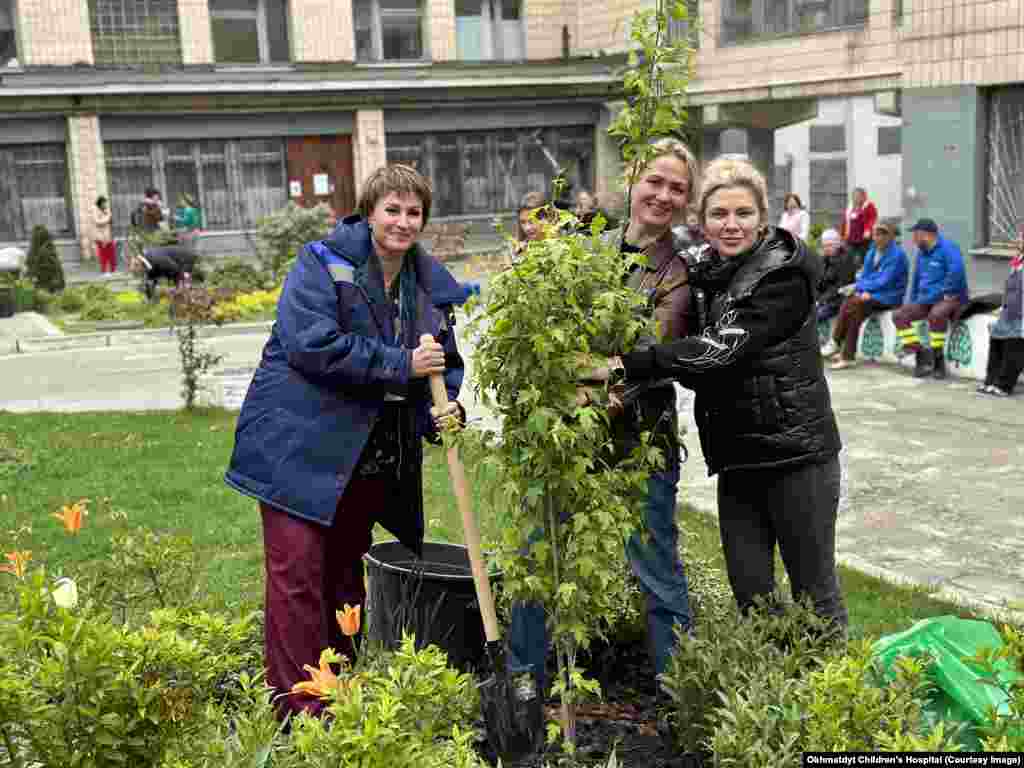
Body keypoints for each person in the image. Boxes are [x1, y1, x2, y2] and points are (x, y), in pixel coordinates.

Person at [224, 164, 466, 720]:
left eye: (414, 212)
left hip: (361, 457)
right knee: (298, 579)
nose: (403, 222)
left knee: (342, 581)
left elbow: (442, 364)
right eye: (393, 209)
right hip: (295, 446)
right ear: (369, 211)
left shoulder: (426, 285)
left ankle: (341, 692)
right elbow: (312, 345)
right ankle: (300, 712)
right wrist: (400, 363)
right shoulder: (322, 262)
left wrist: (444, 409)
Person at [584, 156, 847, 634]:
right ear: (702, 221)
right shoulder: (708, 272)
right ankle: (771, 697)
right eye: (719, 215)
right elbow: (645, 253)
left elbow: (721, 350)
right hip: (739, 459)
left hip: (797, 457)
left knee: (815, 595)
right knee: (751, 595)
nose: (731, 225)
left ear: (762, 217)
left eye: (743, 213)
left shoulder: (783, 276)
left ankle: (830, 701)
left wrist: (626, 364)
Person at [510, 138, 698, 690]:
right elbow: (544, 329)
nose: (662, 195)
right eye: (654, 181)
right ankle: (525, 683)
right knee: (538, 556)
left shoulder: (675, 277)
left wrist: (582, 381)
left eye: (677, 188)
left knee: (656, 570)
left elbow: (645, 361)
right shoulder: (588, 248)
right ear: (633, 181)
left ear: (685, 201)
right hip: (567, 439)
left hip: (640, 443)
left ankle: (677, 693)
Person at [823, 221, 909, 369]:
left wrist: (861, 289)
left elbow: (884, 281)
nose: (879, 237)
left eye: (883, 234)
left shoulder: (898, 255)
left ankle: (837, 343)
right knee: (854, 306)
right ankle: (847, 355)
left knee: (854, 302)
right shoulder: (871, 252)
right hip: (872, 296)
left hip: (889, 297)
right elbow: (865, 277)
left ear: (891, 237)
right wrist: (863, 291)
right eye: (876, 233)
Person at [893, 218, 970, 379]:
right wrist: (913, 299)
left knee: (936, 315)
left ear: (926, 235)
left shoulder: (948, 248)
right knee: (900, 315)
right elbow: (916, 278)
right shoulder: (922, 252)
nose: (913, 239)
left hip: (949, 297)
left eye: (915, 235)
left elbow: (957, 273)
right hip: (926, 299)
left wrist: (946, 292)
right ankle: (921, 352)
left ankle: (938, 360)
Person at [978, 229, 1024, 397]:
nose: (1018, 241)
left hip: (1020, 315)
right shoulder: (1017, 262)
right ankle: (991, 380)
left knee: (1014, 348)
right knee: (996, 341)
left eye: (1021, 238)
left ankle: (1004, 385)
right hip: (1009, 312)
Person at [814, 228, 856, 325]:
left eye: (829, 245)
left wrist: (821, 301)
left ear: (838, 243)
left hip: (839, 300)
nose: (826, 248)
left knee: (812, 318)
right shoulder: (824, 258)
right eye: (824, 246)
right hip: (825, 299)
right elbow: (819, 281)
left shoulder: (846, 259)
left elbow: (840, 286)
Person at [841, 187, 877, 269]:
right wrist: (842, 235)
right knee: (849, 257)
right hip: (851, 238)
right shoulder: (850, 207)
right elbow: (845, 222)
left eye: (858, 196)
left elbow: (872, 218)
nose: (856, 198)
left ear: (864, 196)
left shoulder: (869, 206)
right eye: (854, 196)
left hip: (863, 239)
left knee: (864, 258)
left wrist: (868, 229)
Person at [512, 190, 551, 262]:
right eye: (523, 222)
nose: (527, 228)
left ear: (546, 218)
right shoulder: (519, 249)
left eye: (532, 221)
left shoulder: (559, 246)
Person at [93, 196, 116, 274]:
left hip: (108, 236)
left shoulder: (106, 210)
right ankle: (104, 271)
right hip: (100, 237)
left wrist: (109, 216)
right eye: (104, 203)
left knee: (112, 254)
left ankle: (113, 270)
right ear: (100, 203)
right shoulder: (95, 210)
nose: (105, 204)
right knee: (103, 255)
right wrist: (107, 217)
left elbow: (110, 222)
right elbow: (97, 222)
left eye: (106, 203)